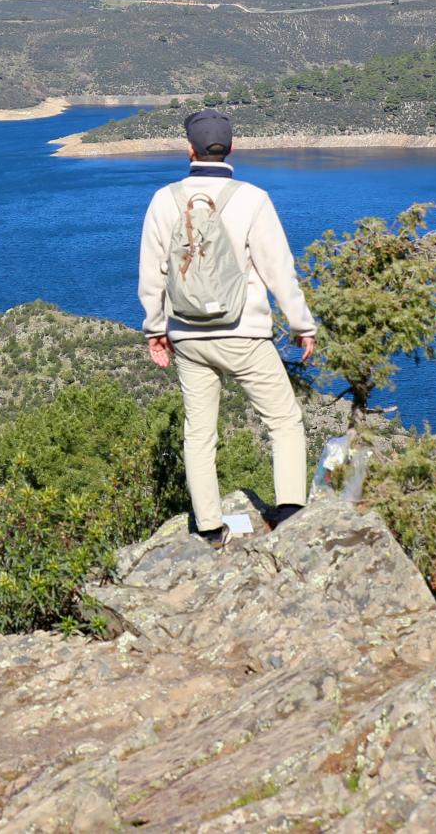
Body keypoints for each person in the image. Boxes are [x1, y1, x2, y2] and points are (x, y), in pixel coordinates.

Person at [138, 108, 318, 549]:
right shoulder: (253, 198)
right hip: (245, 333)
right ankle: (291, 511)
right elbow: (279, 269)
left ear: (190, 150)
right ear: (231, 148)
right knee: (284, 420)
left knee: (200, 433)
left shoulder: (165, 199)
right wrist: (301, 324)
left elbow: (151, 274)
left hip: (189, 337)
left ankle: (210, 528)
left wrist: (155, 329)